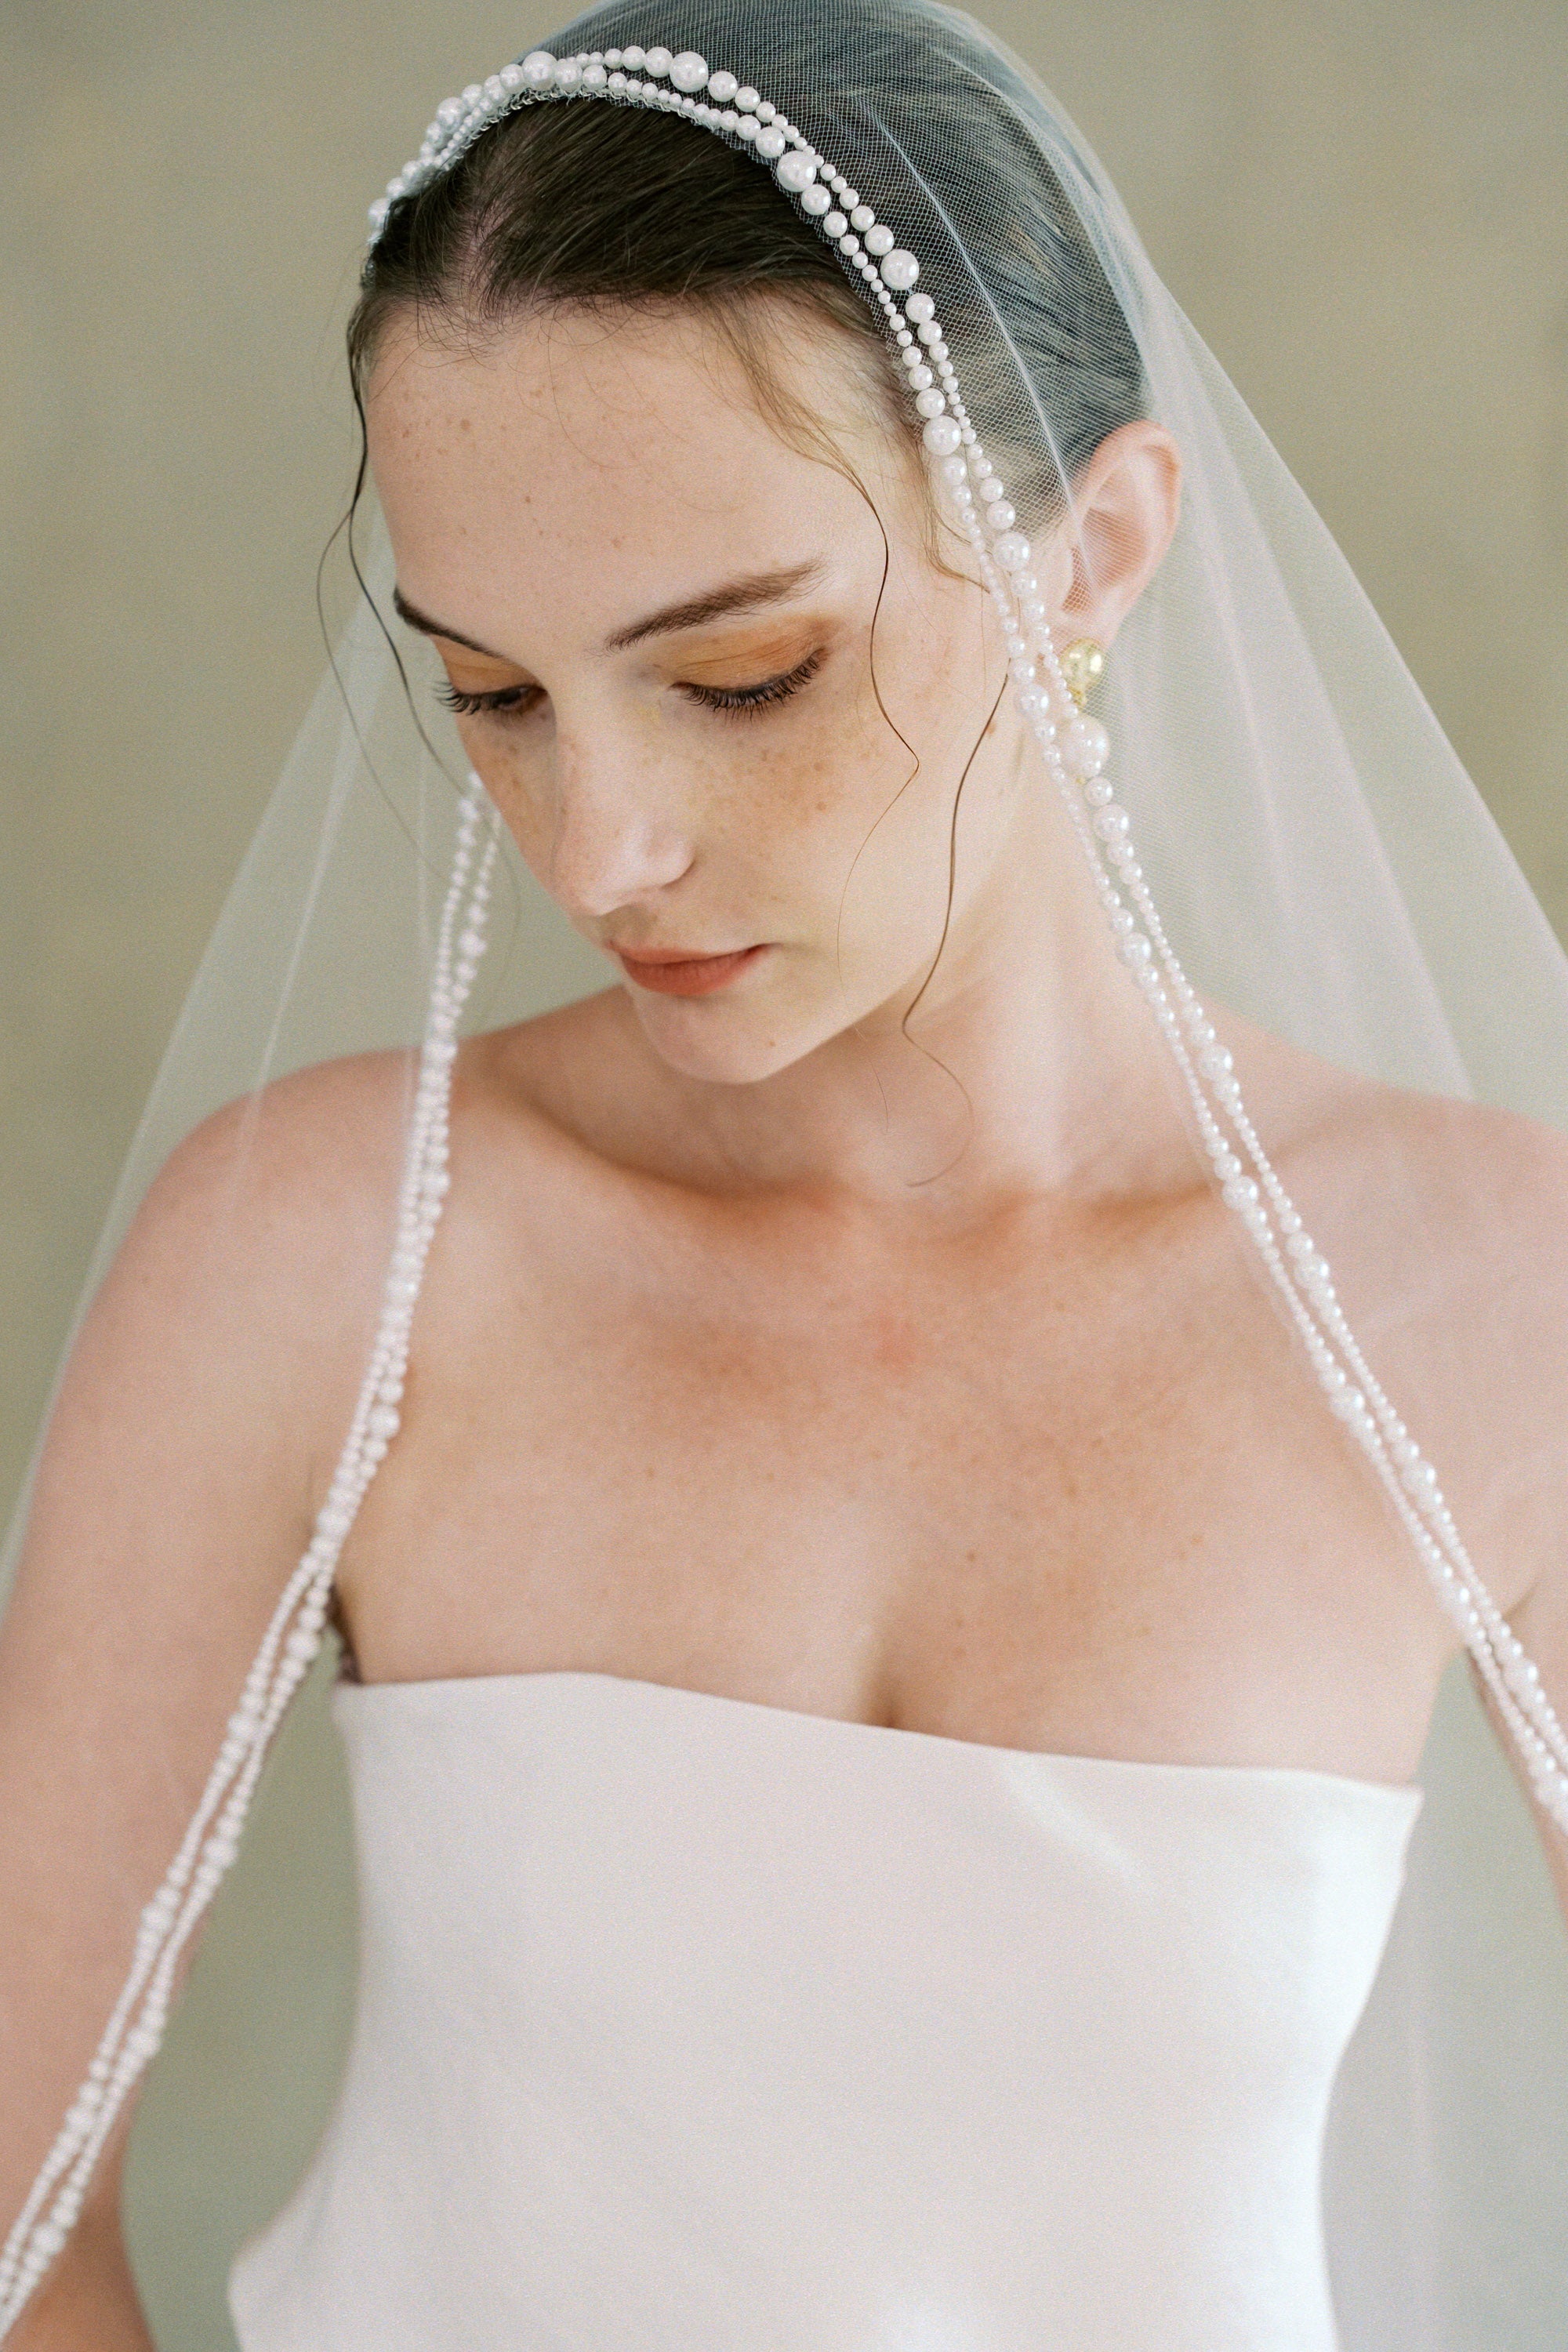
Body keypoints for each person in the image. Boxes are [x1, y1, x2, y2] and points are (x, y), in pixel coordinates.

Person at [4, 2, 1567, 2345]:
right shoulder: (329, 1256)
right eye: (495, 697)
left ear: (1097, 547)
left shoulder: (1485, 1293)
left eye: (742, 673)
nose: (603, 846)